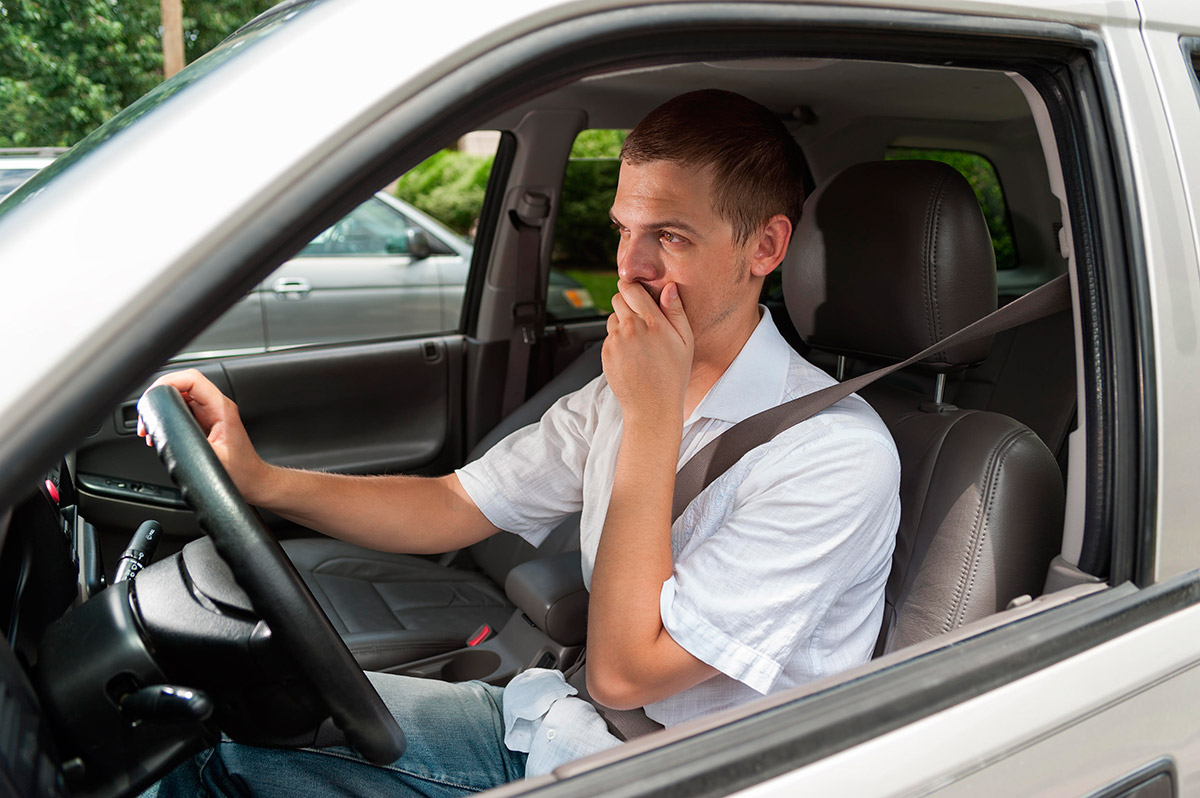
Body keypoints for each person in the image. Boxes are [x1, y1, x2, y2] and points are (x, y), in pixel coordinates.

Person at [143, 89, 901, 797]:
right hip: (558, 724)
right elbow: (453, 504)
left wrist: (651, 417)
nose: (630, 267)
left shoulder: (833, 455)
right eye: (624, 231)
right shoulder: (627, 388)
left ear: (764, 246)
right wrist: (262, 481)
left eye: (670, 236)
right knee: (210, 724)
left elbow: (626, 675)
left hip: (665, 774)